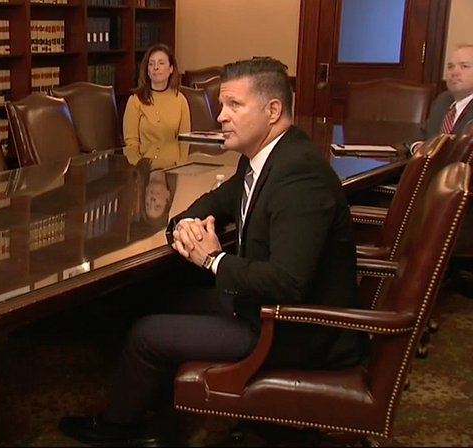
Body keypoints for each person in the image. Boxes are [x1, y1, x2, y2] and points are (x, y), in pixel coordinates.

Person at [59, 57, 369, 446]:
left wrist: (212, 259)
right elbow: (213, 202)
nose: (221, 116)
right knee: (159, 297)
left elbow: (288, 283)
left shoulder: (299, 176)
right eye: (223, 105)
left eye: (234, 105)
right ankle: (162, 420)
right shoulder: (263, 159)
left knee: (145, 333)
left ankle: (119, 428)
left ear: (273, 110)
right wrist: (183, 224)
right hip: (259, 307)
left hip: (288, 329)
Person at [123, 44, 191, 147]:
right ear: (147, 70)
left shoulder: (180, 100)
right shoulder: (135, 100)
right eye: (151, 64)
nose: (156, 67)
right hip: (144, 161)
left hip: (173, 162)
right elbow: (131, 142)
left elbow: (184, 142)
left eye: (161, 63)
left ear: (171, 68)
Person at [412, 44, 473, 151]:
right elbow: (421, 134)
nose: (454, 73)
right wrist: (417, 146)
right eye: (450, 67)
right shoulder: (443, 100)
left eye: (464, 66)